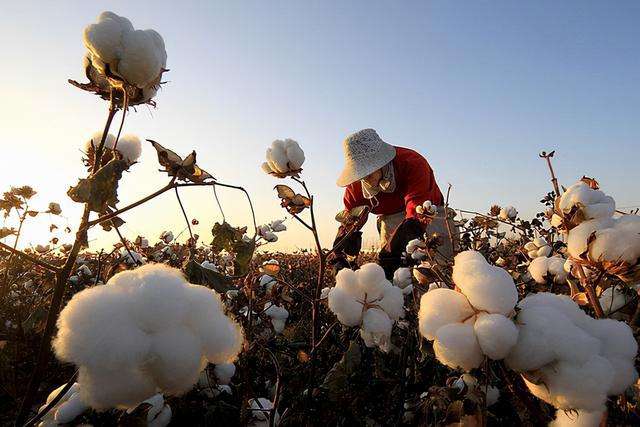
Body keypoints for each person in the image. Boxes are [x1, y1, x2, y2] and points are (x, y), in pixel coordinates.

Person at [330, 128, 454, 277]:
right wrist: (339, 255)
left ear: (382, 162)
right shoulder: (356, 185)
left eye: (369, 172)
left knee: (441, 265)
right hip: (390, 217)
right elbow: (351, 220)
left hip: (430, 212)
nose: (365, 179)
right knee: (394, 274)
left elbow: (417, 211)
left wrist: (392, 251)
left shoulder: (412, 163)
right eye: (361, 174)